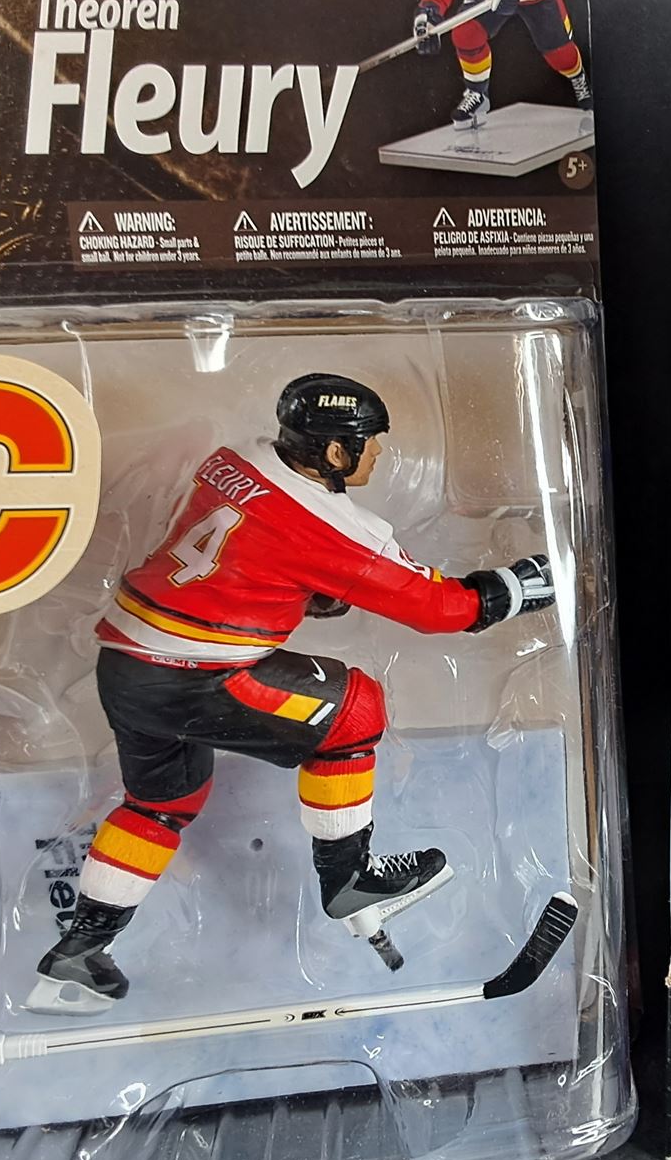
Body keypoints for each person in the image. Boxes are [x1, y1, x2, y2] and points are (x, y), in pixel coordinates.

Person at [30, 374, 554, 1014]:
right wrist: (527, 583)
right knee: (354, 708)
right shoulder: (331, 525)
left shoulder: (231, 462)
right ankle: (351, 879)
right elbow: (445, 609)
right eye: (370, 441)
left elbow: (241, 554)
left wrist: (302, 589)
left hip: (125, 664)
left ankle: (79, 952)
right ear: (336, 452)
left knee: (160, 805)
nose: (379, 453)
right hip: (200, 675)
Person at [412, 0, 592, 129]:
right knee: (466, 33)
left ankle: (577, 76)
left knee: (561, 54)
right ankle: (478, 93)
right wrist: (428, 15)